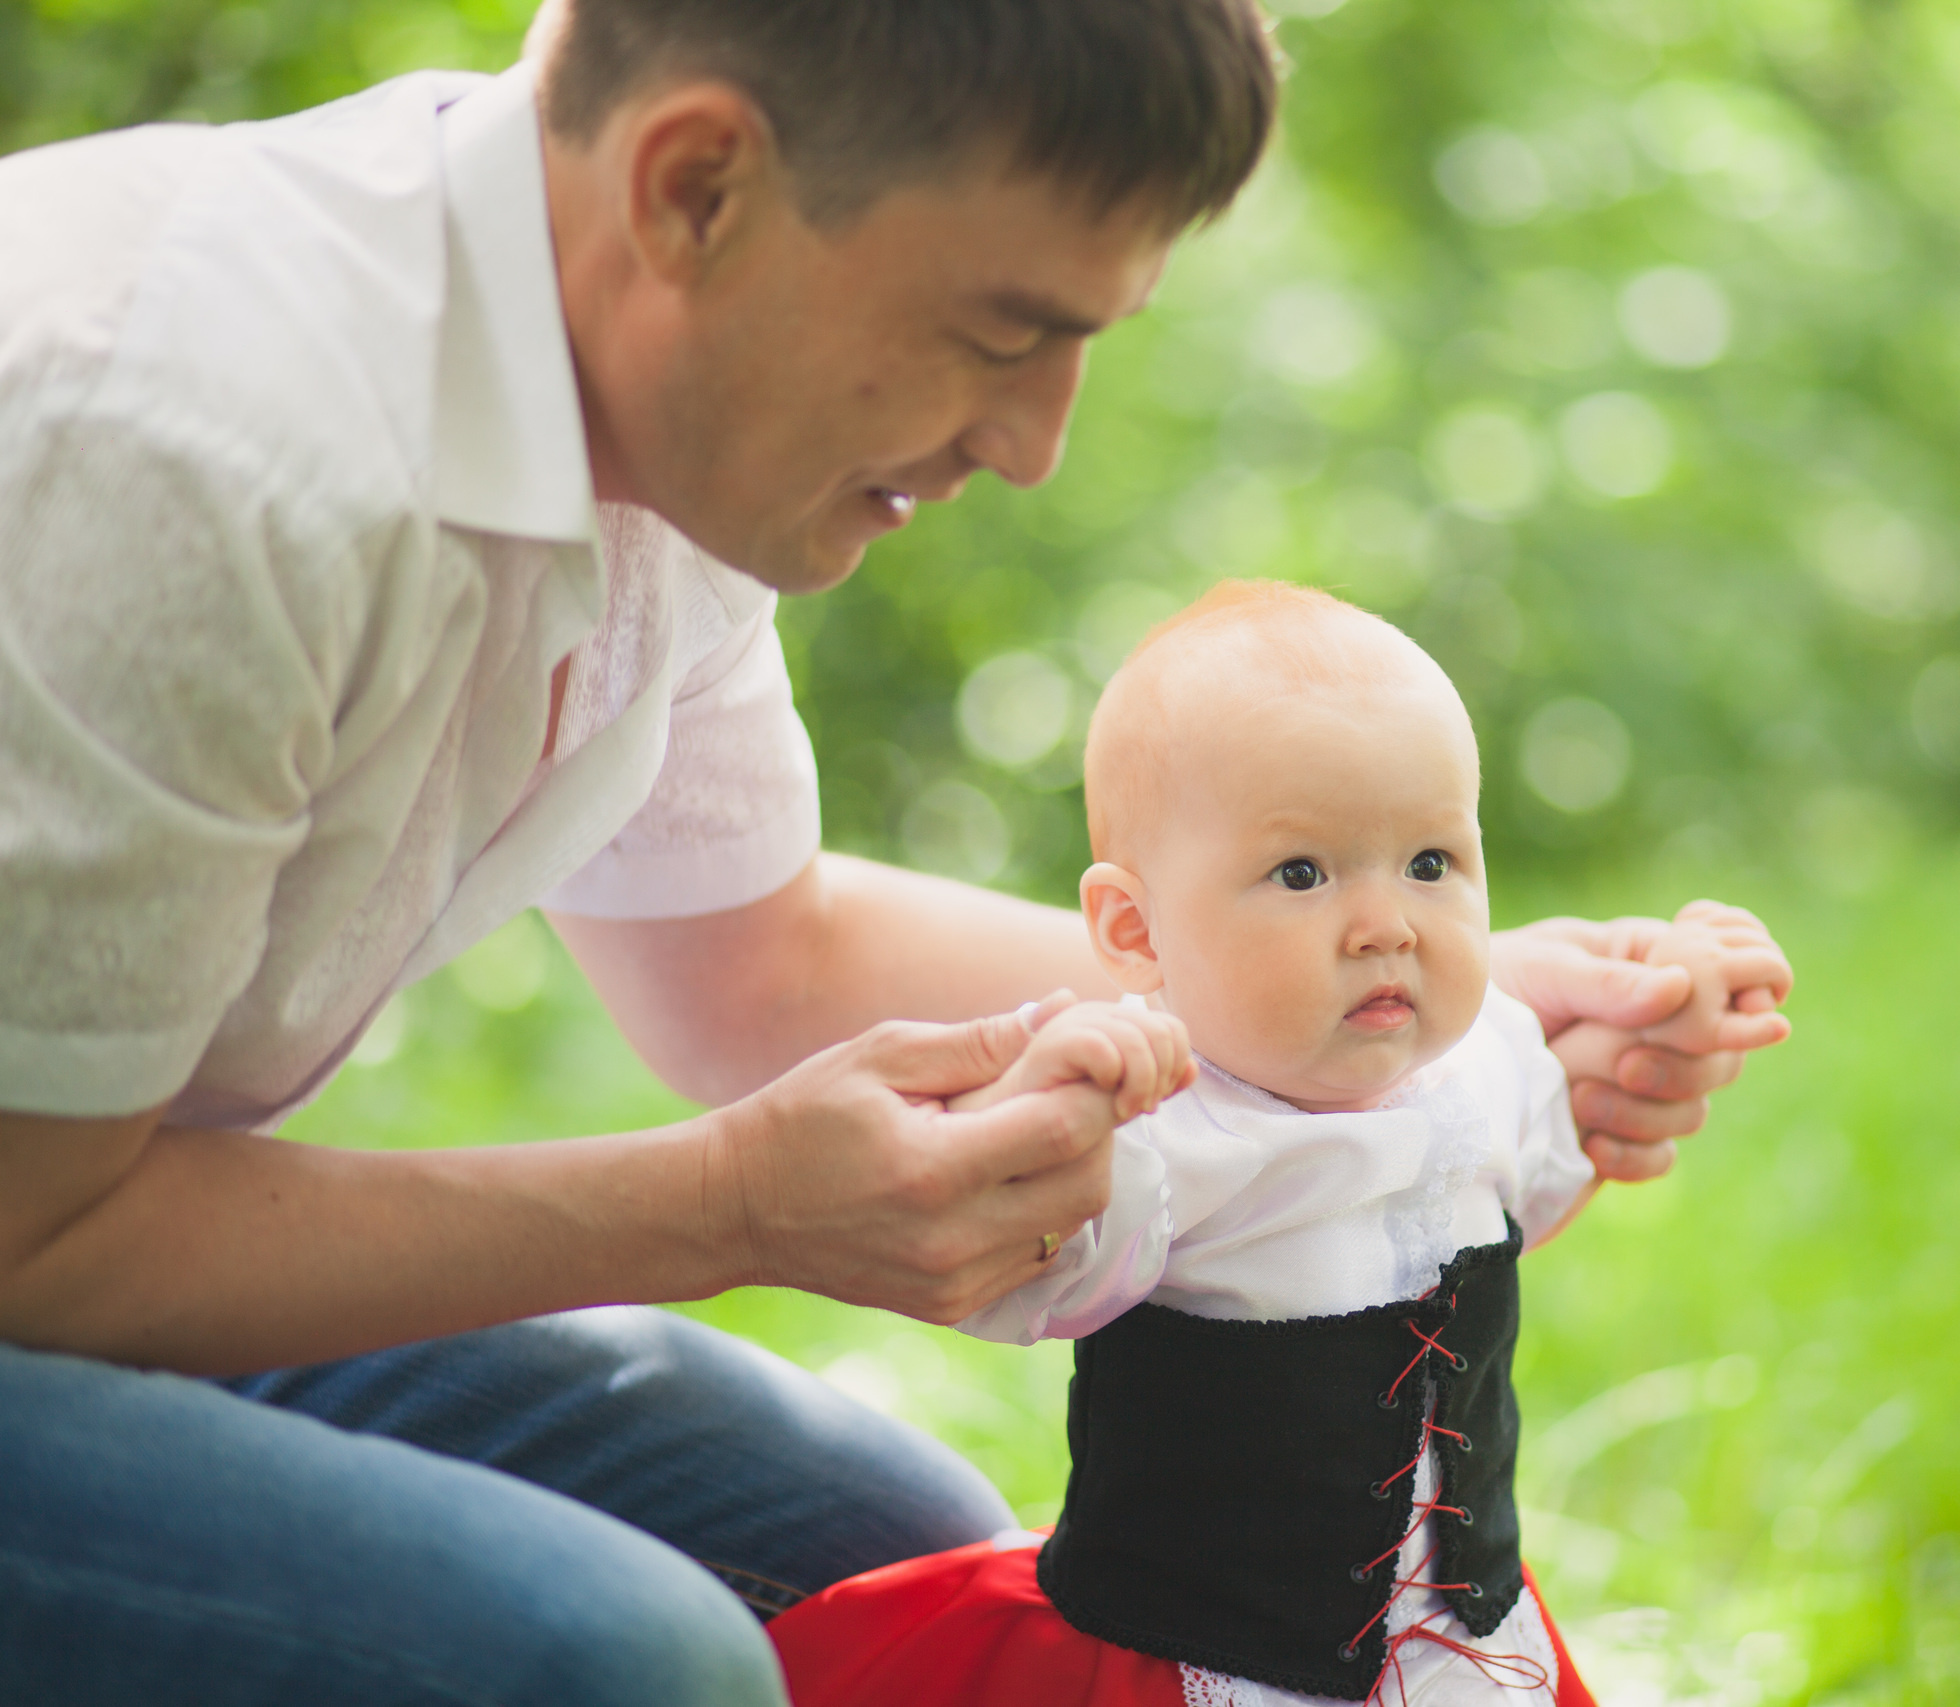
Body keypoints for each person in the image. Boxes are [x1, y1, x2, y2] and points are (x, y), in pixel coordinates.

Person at [0, 4, 1783, 1703]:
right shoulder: (184, 451)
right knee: (629, 1664)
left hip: (87, 1251)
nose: (1035, 442)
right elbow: (37, 1236)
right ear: (698, 186)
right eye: (1001, 333)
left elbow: (760, 968)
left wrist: (1399, 999)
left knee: (895, 1548)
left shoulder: (654, 441)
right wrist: (727, 1204)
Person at [766, 582, 1795, 1707]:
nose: (1386, 925)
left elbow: (1536, 1188)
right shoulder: (1160, 1140)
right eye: (1302, 873)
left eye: (1431, 862)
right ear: (1134, 929)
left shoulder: (1493, 1061)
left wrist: (1678, 996)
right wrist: (1035, 1120)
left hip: (1457, 1641)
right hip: (1208, 1650)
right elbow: (1009, 1254)